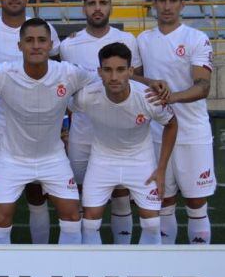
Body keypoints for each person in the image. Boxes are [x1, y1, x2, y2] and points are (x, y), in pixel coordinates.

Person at [0, 19, 90, 244]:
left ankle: (67, 270)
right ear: (20, 46)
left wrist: (148, 82)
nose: (36, 45)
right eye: (29, 40)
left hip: (53, 158)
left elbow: (107, 78)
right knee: (1, 217)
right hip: (13, 158)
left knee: (72, 216)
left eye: (41, 40)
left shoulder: (68, 73)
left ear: (50, 45)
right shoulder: (3, 72)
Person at [0, 0, 60, 243]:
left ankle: (41, 253)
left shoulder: (47, 29)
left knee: (37, 192)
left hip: (40, 126)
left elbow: (55, 69)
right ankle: (0, 260)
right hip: (1, 123)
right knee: (2, 195)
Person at [137, 0, 216, 245]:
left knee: (196, 201)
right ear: (154, 4)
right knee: (163, 200)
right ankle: (167, 263)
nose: (167, 6)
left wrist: (171, 97)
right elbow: (134, 79)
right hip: (156, 133)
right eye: (162, 1)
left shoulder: (196, 38)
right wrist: (152, 85)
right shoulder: (143, 40)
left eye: (173, 1)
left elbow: (203, 86)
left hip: (192, 132)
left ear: (183, 4)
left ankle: (199, 261)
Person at [76, 43, 178, 245]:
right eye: (108, 70)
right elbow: (65, 108)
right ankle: (92, 269)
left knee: (152, 223)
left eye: (121, 69)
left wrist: (161, 169)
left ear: (131, 71)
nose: (114, 77)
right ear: (100, 72)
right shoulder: (87, 96)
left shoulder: (148, 98)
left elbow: (172, 124)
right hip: (102, 160)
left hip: (140, 160)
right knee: (89, 221)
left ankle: (147, 271)